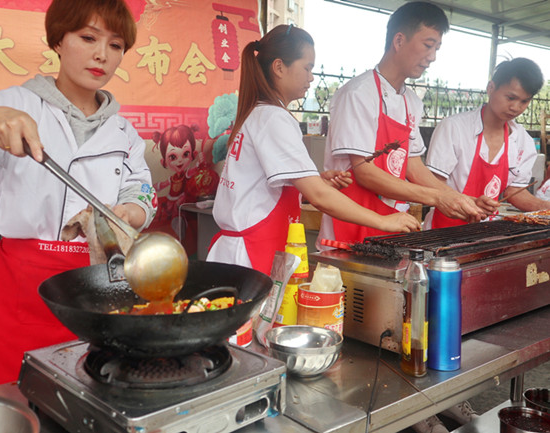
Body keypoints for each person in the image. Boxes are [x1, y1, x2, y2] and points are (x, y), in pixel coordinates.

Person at [0, 0, 156, 387]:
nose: (102, 55)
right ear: (58, 40)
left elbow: (142, 190)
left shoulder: (124, 131)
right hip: (21, 291)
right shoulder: (17, 105)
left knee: (91, 400)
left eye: (115, 46)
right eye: (88, 37)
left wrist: (128, 213)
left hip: (100, 287)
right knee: (9, 406)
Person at [206, 24, 420, 276]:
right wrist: (384, 221)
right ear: (279, 67)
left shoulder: (257, 114)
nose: (311, 77)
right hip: (251, 255)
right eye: (307, 68)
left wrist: (313, 182)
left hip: (244, 251)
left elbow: (265, 189)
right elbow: (319, 196)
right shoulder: (274, 118)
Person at [317, 1, 487, 249]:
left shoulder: (411, 102)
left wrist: (459, 199)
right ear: (398, 41)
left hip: (393, 228)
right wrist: (437, 197)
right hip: (349, 229)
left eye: (437, 48)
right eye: (428, 46)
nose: (432, 57)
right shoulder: (358, 94)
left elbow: (412, 165)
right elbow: (364, 172)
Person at [425, 57, 550, 229]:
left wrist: (546, 208)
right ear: (491, 88)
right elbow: (433, 183)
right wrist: (467, 203)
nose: (516, 107)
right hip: (444, 229)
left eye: (524, 101)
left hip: (486, 232)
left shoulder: (522, 141)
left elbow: (514, 192)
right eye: (511, 97)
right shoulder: (454, 128)